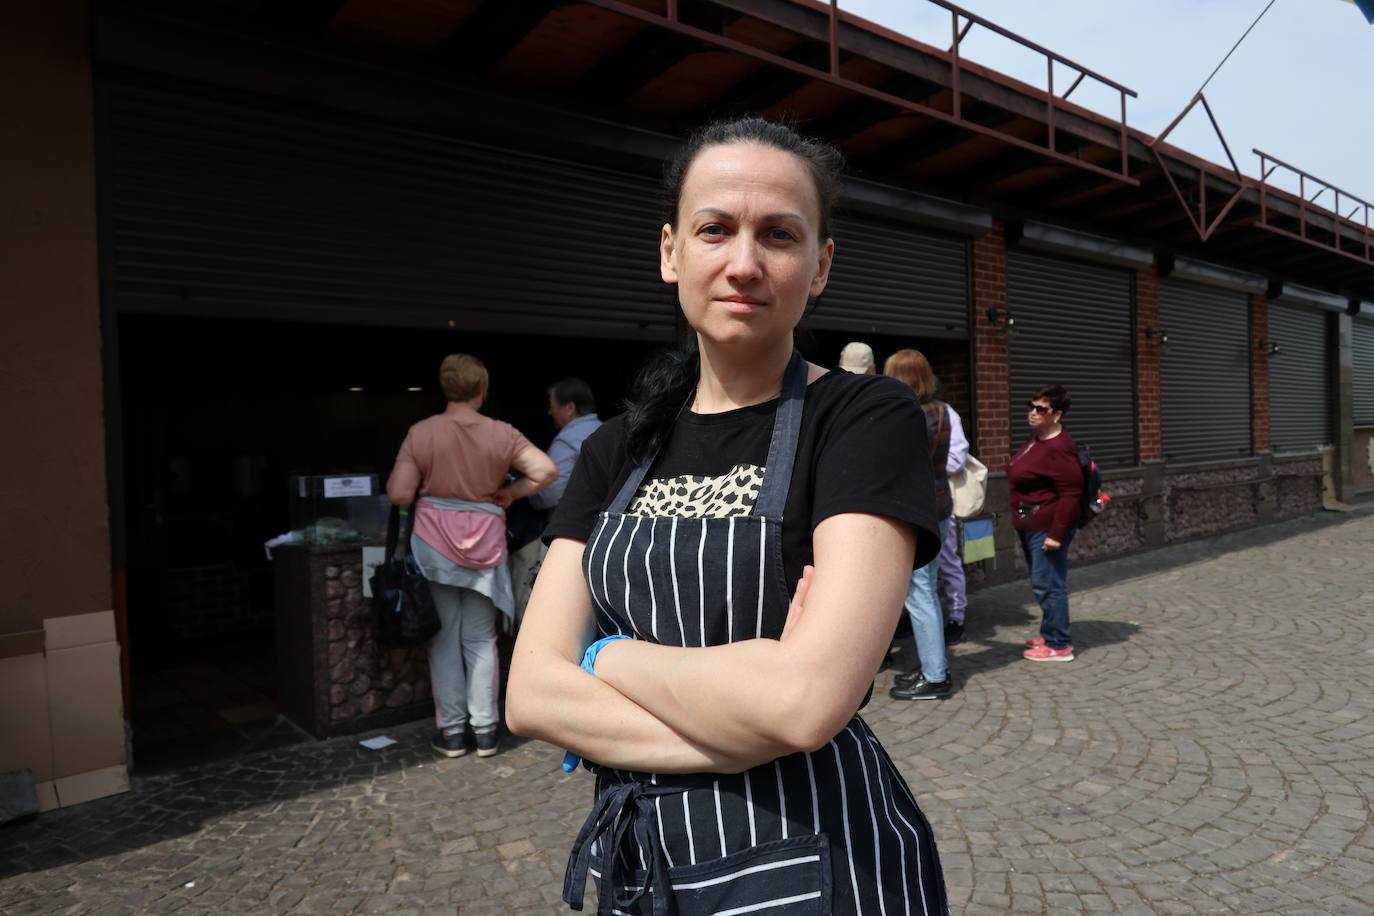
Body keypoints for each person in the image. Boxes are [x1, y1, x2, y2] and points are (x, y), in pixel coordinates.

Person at [507, 117, 947, 915]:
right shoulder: (614, 449)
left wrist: (605, 658)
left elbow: (809, 702)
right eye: (717, 229)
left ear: (820, 266)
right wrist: (761, 709)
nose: (744, 263)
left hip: (828, 861)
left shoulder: (862, 418)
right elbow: (532, 693)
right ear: (672, 251)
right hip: (646, 871)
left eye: (778, 235)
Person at [386, 354, 557, 758]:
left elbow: (398, 494)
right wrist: (511, 494)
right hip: (487, 543)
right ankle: (485, 731)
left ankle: (452, 734)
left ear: (446, 389)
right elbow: (546, 471)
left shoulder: (421, 433)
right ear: (482, 390)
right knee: (481, 639)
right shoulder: (502, 433)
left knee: (444, 639)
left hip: (434, 547)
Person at [884, 349, 955, 701]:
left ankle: (935, 676)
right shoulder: (942, 411)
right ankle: (933, 664)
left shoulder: (906, 414)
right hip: (940, 505)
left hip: (918, 511)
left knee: (920, 592)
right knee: (924, 589)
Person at [1008, 385, 1082, 662]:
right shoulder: (1037, 439)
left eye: (1042, 409)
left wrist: (1056, 534)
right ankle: (1051, 630)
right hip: (1031, 523)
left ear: (1057, 414)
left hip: (1047, 526)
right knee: (1043, 581)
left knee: (1049, 584)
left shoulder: (1060, 447)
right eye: (1031, 406)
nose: (1033, 413)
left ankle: (1060, 644)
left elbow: (1071, 493)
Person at [528, 377, 602, 512]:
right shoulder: (607, 431)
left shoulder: (566, 441)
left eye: (552, 406)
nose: (550, 412)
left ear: (570, 408)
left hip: (578, 523)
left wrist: (531, 497)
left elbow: (550, 496)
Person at [938, 407, 971, 645]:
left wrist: (924, 466)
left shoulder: (945, 413)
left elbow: (957, 458)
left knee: (948, 560)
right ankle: (907, 617)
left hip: (940, 498)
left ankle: (956, 618)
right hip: (909, 500)